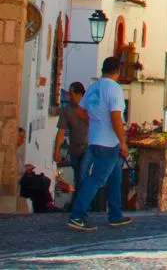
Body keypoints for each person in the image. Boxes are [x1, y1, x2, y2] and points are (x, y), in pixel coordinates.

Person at [67, 57, 132, 231]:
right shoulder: (115, 89)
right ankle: (77, 215)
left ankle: (115, 215)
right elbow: (116, 118)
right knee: (96, 179)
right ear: (118, 70)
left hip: (95, 140)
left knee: (115, 177)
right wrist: (123, 142)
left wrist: (94, 121)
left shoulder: (93, 87)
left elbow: (80, 110)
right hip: (109, 143)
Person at [54, 82, 88, 201]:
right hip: (74, 149)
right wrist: (57, 150)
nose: (69, 97)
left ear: (80, 95)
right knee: (77, 176)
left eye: (72, 94)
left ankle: (80, 203)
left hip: (88, 148)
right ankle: (78, 203)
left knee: (83, 175)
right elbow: (61, 131)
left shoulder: (90, 108)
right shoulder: (66, 110)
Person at [18, 127, 56, 213]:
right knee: (42, 182)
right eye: (20, 137)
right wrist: (26, 169)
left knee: (44, 180)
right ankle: (46, 205)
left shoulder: (17, 151)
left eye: (23, 137)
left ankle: (47, 204)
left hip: (23, 176)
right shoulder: (13, 152)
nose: (22, 140)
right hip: (20, 179)